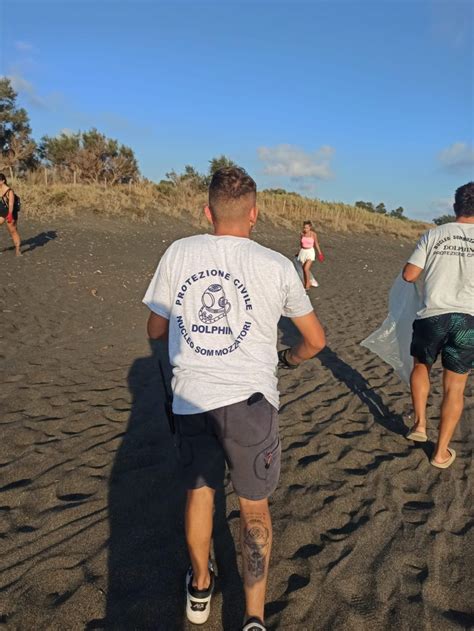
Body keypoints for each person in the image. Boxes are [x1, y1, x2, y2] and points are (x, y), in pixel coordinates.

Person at [143, 166, 325, 630]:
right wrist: (289, 360)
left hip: (192, 397)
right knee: (254, 506)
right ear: (254, 214)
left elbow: (156, 328)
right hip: (251, 402)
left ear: (207, 211)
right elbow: (316, 341)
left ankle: (201, 587)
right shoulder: (276, 265)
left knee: (200, 493)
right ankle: (254, 616)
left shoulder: (179, 253)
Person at [403, 181, 474, 469]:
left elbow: (410, 275)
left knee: (421, 366)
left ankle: (420, 425)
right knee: (455, 388)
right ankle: (440, 452)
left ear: (455, 206)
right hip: (468, 319)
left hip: (432, 316)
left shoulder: (434, 234)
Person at [297, 220, 324, 289]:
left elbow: (316, 244)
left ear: (310, 227)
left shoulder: (313, 234)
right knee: (304, 269)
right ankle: (309, 281)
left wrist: (320, 253)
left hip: (310, 252)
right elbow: (301, 244)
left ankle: (307, 284)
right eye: (304, 228)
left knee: (306, 268)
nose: (305, 229)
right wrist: (299, 252)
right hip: (303, 252)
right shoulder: (302, 234)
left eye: (307, 228)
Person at [0, 174, 22, 256]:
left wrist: (9, 215)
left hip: (10, 212)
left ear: (3, 181)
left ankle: (18, 250)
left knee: (13, 231)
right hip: (2, 211)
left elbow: (11, 204)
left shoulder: (10, 191)